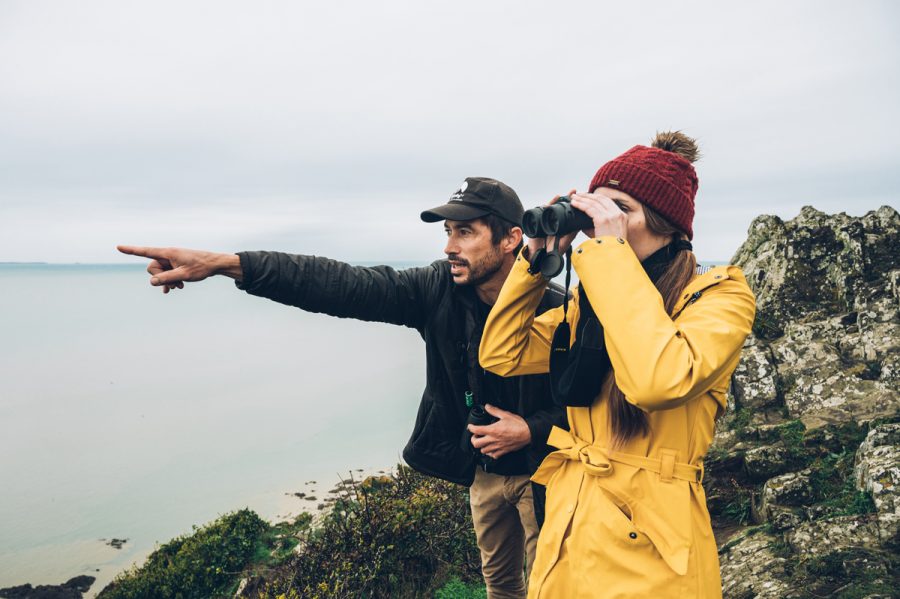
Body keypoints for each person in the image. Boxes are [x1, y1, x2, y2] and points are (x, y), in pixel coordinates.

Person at [117, 177, 566, 599]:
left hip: (544, 470)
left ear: (510, 239)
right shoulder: (437, 290)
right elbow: (340, 284)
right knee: (499, 583)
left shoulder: (560, 310)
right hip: (483, 472)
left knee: (550, 585)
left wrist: (529, 430)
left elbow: (593, 406)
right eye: (448, 232)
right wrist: (226, 265)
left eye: (465, 232)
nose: (449, 246)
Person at [478, 133, 756, 598]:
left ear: (666, 224)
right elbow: (502, 353)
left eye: (619, 209)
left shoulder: (719, 297)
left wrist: (609, 255)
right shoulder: (593, 303)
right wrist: (535, 262)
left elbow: (657, 381)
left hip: (650, 545)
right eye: (597, 210)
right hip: (572, 520)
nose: (601, 224)